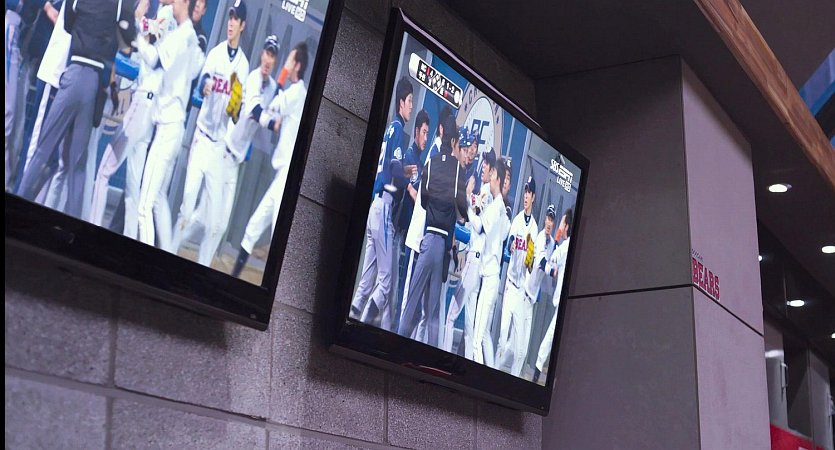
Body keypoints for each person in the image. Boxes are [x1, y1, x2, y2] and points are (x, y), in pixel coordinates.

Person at [16, 0, 137, 219]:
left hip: (74, 73)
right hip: (93, 81)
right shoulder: (120, 4)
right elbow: (129, 41)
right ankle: (72, 223)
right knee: (77, 164)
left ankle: (18, 206)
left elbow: (68, 24)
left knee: (44, 149)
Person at [173, 34, 279, 258]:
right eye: (267, 53)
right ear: (262, 54)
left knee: (215, 225)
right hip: (222, 154)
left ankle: (174, 247)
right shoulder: (251, 78)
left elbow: (276, 103)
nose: (268, 59)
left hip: (234, 161)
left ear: (275, 60)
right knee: (208, 222)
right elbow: (255, 111)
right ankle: (171, 248)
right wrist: (272, 123)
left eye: (273, 55)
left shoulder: (271, 88)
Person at [171, 0, 249, 265]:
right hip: (202, 139)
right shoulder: (215, 53)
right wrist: (205, 86)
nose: (230, 22)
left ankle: (201, 269)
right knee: (186, 209)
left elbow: (237, 114)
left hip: (218, 148)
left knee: (214, 223)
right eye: (230, 17)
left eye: (235, 19)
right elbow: (203, 79)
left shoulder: (243, 66)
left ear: (242, 25)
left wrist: (236, 106)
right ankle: (168, 253)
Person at [88, 0, 175, 236]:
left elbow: (144, 35)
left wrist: (135, 19)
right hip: (152, 108)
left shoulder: (168, 14)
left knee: (103, 172)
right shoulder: (174, 21)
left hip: (143, 104)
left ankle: (91, 232)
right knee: (133, 188)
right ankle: (127, 240)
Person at [230, 42, 309, 278]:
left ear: (297, 65)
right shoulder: (294, 93)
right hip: (282, 174)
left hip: (287, 174)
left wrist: (282, 74)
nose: (285, 63)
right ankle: (234, 278)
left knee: (278, 235)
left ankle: (278, 285)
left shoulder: (297, 93)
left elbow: (271, 105)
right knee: (254, 228)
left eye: (289, 60)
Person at [134, 0, 202, 249]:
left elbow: (153, 60)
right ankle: (166, 253)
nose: (173, 4)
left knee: (144, 206)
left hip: (168, 127)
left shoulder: (183, 35)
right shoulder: (191, 37)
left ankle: (144, 264)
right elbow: (194, 70)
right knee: (157, 200)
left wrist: (137, 32)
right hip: (174, 126)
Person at [348, 76, 413, 329]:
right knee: (385, 282)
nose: (411, 106)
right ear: (401, 102)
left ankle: (352, 319)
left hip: (375, 206)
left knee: (366, 282)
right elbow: (395, 170)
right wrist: (410, 180)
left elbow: (391, 167)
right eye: (409, 101)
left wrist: (403, 172)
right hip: (384, 207)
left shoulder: (390, 129)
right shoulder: (397, 129)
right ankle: (361, 326)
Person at [397, 116, 469, 345]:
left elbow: (423, 198)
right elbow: (462, 206)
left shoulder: (431, 162)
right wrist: (457, 214)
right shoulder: (457, 170)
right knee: (433, 313)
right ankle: (430, 356)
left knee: (412, 301)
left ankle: (396, 344)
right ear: (454, 141)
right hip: (443, 245)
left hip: (427, 239)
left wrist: (436, 208)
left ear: (441, 133)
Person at [442, 149, 496, 358]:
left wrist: (466, 197)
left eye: (486, 164)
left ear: (492, 170)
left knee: (451, 316)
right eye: (483, 162)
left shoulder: (487, 193)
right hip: (476, 263)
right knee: (470, 328)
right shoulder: (486, 191)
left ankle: (443, 357)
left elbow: (479, 226)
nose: (483, 166)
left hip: (475, 262)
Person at [470, 156, 510, 366]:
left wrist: (467, 204)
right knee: (482, 334)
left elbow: (479, 227)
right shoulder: (499, 206)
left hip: (491, 277)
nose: (491, 176)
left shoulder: (497, 207)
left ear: (498, 179)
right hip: (490, 277)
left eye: (493, 174)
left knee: (477, 339)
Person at [496, 175, 539, 372]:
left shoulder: (535, 228)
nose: (526, 196)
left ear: (534, 197)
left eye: (529, 192)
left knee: (517, 347)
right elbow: (511, 241)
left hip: (521, 291)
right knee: (502, 335)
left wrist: (530, 258)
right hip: (511, 286)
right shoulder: (518, 220)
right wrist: (512, 244)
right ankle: (493, 372)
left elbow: (530, 266)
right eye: (525, 191)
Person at [392, 109, 429, 329]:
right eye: (423, 132)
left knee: (399, 286)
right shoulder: (408, 156)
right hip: (400, 230)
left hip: (409, 234)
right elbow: (408, 190)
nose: (425, 137)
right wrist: (411, 189)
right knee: (394, 285)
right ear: (416, 132)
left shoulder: (421, 163)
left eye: (427, 133)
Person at [533, 207, 573, 384]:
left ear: (567, 226)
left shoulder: (565, 245)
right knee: (553, 340)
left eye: (562, 222)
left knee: (550, 339)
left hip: (564, 303)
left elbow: (551, 258)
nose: (559, 225)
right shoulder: (567, 245)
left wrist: (557, 236)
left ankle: (536, 375)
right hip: (564, 303)